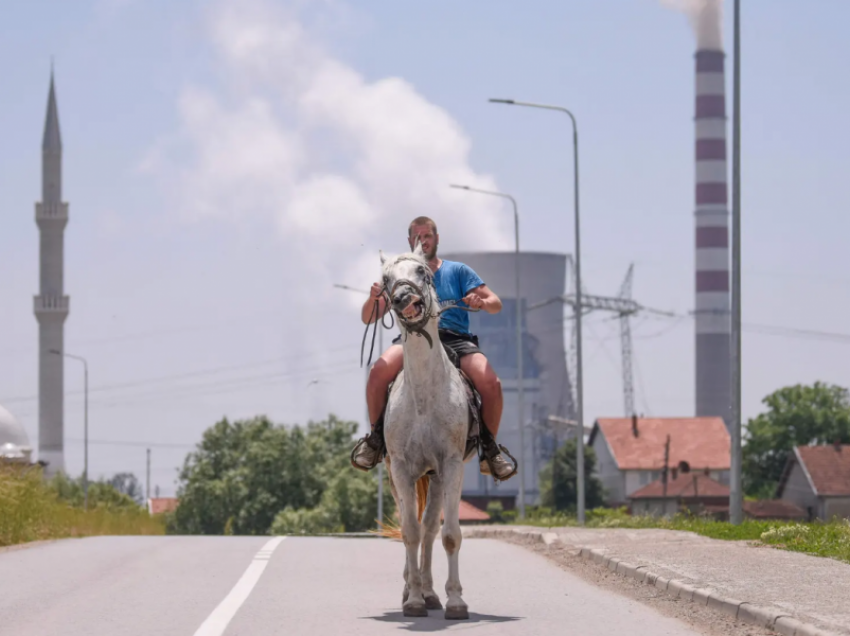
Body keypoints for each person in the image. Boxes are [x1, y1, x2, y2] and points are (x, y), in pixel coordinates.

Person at [351, 216, 517, 481]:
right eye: (417, 237)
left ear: (437, 239)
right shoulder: (399, 272)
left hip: (455, 339)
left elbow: (495, 303)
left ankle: (490, 448)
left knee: (491, 383)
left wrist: (480, 301)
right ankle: (375, 440)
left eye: (427, 236)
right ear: (409, 242)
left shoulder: (458, 271)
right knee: (378, 372)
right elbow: (369, 317)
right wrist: (374, 298)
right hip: (413, 339)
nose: (423, 241)